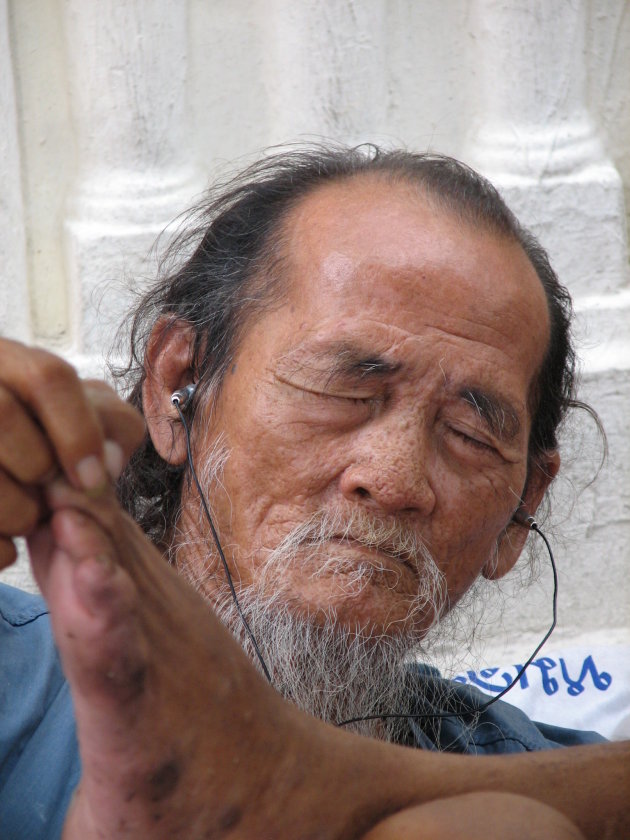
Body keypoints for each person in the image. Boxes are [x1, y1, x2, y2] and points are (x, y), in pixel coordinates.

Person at [0, 146, 628, 839]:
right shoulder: (12, 679)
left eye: (471, 435)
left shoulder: (529, 774)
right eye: (346, 389)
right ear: (178, 387)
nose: (393, 480)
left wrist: (333, 777)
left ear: (520, 513)